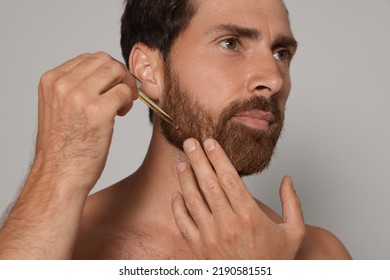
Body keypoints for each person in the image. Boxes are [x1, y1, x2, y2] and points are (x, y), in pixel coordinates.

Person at [0, 0, 351, 259]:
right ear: (149, 71)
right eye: (231, 43)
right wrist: (56, 170)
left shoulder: (322, 256)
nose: (273, 80)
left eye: (281, 53)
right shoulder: (68, 246)